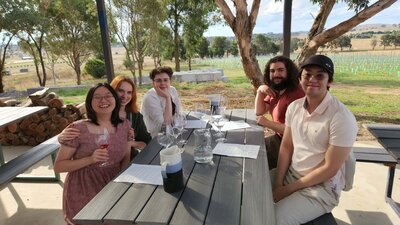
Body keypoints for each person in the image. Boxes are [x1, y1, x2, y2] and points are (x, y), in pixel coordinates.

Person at [272, 55, 358, 225]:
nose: (312, 80)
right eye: (307, 75)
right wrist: (278, 182)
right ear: (300, 79)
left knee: (272, 218)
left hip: (322, 188)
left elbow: (329, 168)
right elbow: (287, 146)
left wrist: (286, 190)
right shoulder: (295, 107)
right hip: (292, 174)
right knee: (249, 190)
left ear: (329, 81)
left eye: (320, 76)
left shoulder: (341, 117)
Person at [54, 83, 131, 225]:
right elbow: (59, 166)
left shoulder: (124, 125)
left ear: (115, 99)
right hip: (84, 186)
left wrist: (122, 180)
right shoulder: (77, 129)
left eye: (108, 96)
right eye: (97, 97)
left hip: (113, 182)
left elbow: (126, 156)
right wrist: (90, 159)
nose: (103, 100)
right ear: (90, 103)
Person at [58, 76, 152, 159]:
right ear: (112, 91)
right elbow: (80, 132)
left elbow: (146, 143)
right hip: (100, 163)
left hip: (128, 161)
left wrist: (129, 143)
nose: (125, 96)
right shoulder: (100, 111)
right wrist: (61, 136)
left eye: (129, 92)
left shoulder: (135, 116)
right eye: (120, 91)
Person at [255, 55, 304, 169]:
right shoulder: (276, 91)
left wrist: (267, 123)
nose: (276, 74)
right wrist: (260, 91)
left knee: (256, 163)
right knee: (250, 148)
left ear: (289, 72)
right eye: (272, 71)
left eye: (280, 70)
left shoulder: (296, 94)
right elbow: (259, 111)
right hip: (278, 138)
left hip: (292, 146)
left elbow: (295, 131)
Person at [141, 66, 182, 138]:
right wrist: (167, 97)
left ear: (170, 81)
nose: (162, 83)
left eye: (165, 80)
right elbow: (165, 123)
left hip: (172, 131)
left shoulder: (172, 90)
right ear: (153, 83)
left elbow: (178, 113)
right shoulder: (150, 97)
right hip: (156, 138)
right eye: (158, 80)